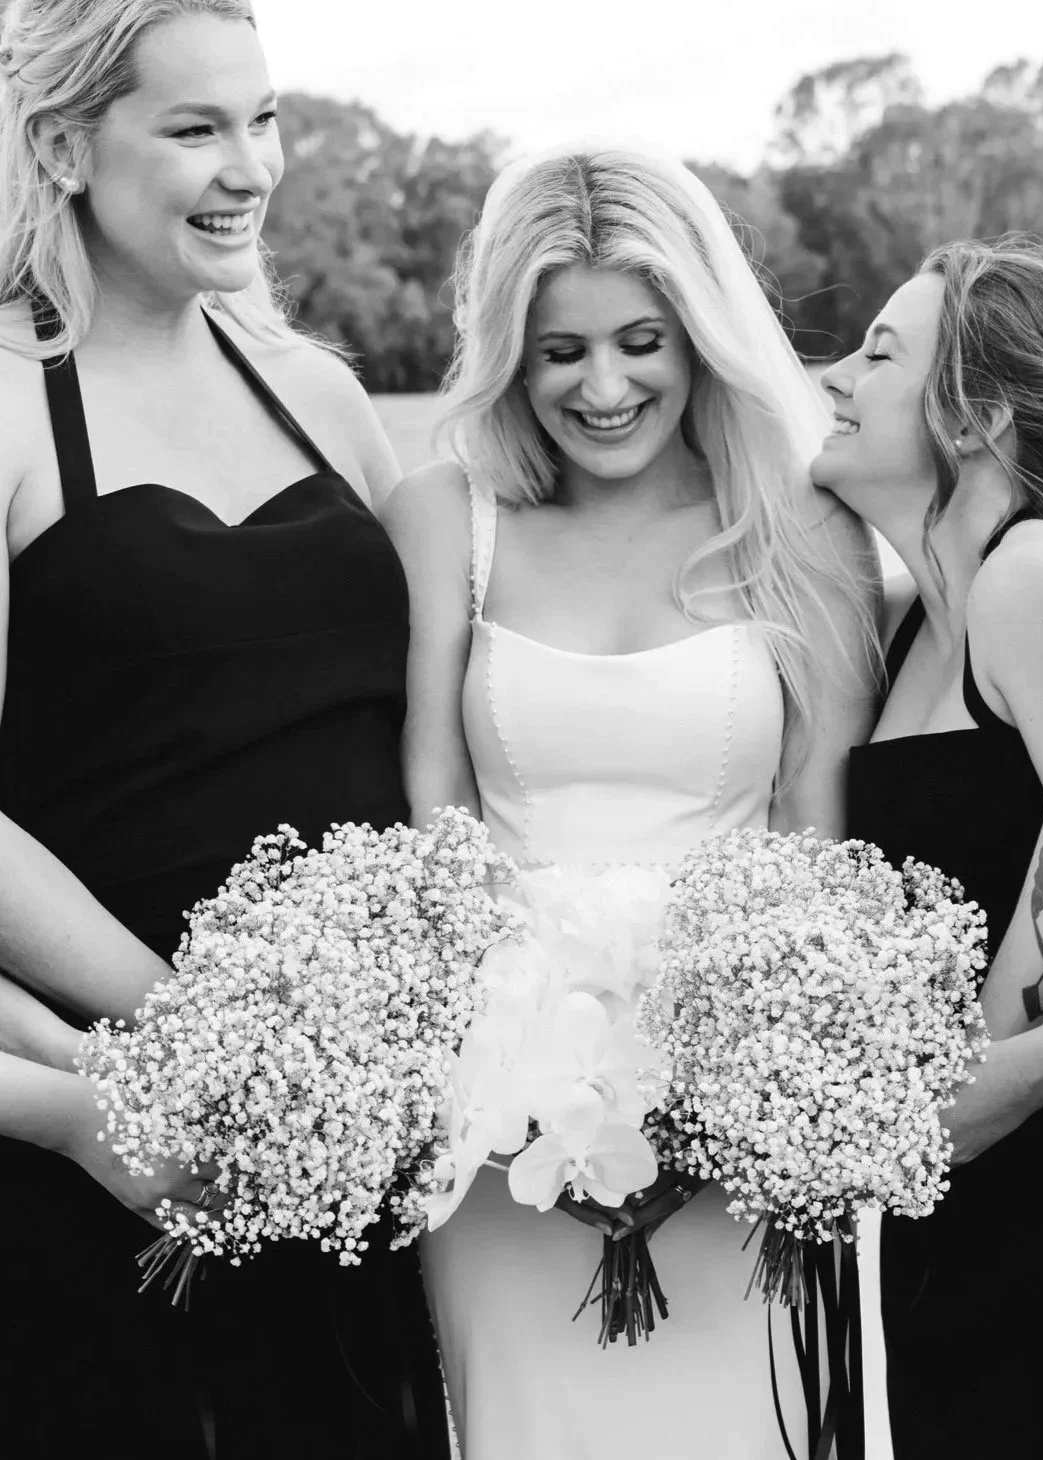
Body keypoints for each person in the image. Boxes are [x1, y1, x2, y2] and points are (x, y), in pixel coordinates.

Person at [0, 2, 447, 1455]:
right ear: (65, 145)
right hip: (124, 1134)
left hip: (368, 1130)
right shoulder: (7, 409)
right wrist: (190, 1036)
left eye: (262, 119)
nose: (248, 165)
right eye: (194, 129)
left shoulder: (319, 394)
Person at [387, 145, 879, 1458]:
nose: (602, 388)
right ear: (508, 353)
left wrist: (734, 1098)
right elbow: (434, 805)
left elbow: (813, 828)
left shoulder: (802, 528)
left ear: (700, 330)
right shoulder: (446, 518)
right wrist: (517, 1089)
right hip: (501, 1140)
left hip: (743, 1118)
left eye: (641, 339)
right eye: (559, 351)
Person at [815, 236, 1043, 1458]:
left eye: (878, 350)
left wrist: (1000, 1082)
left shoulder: (1038, 583)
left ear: (977, 415)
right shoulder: (918, 623)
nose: (834, 374)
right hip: (963, 1188)